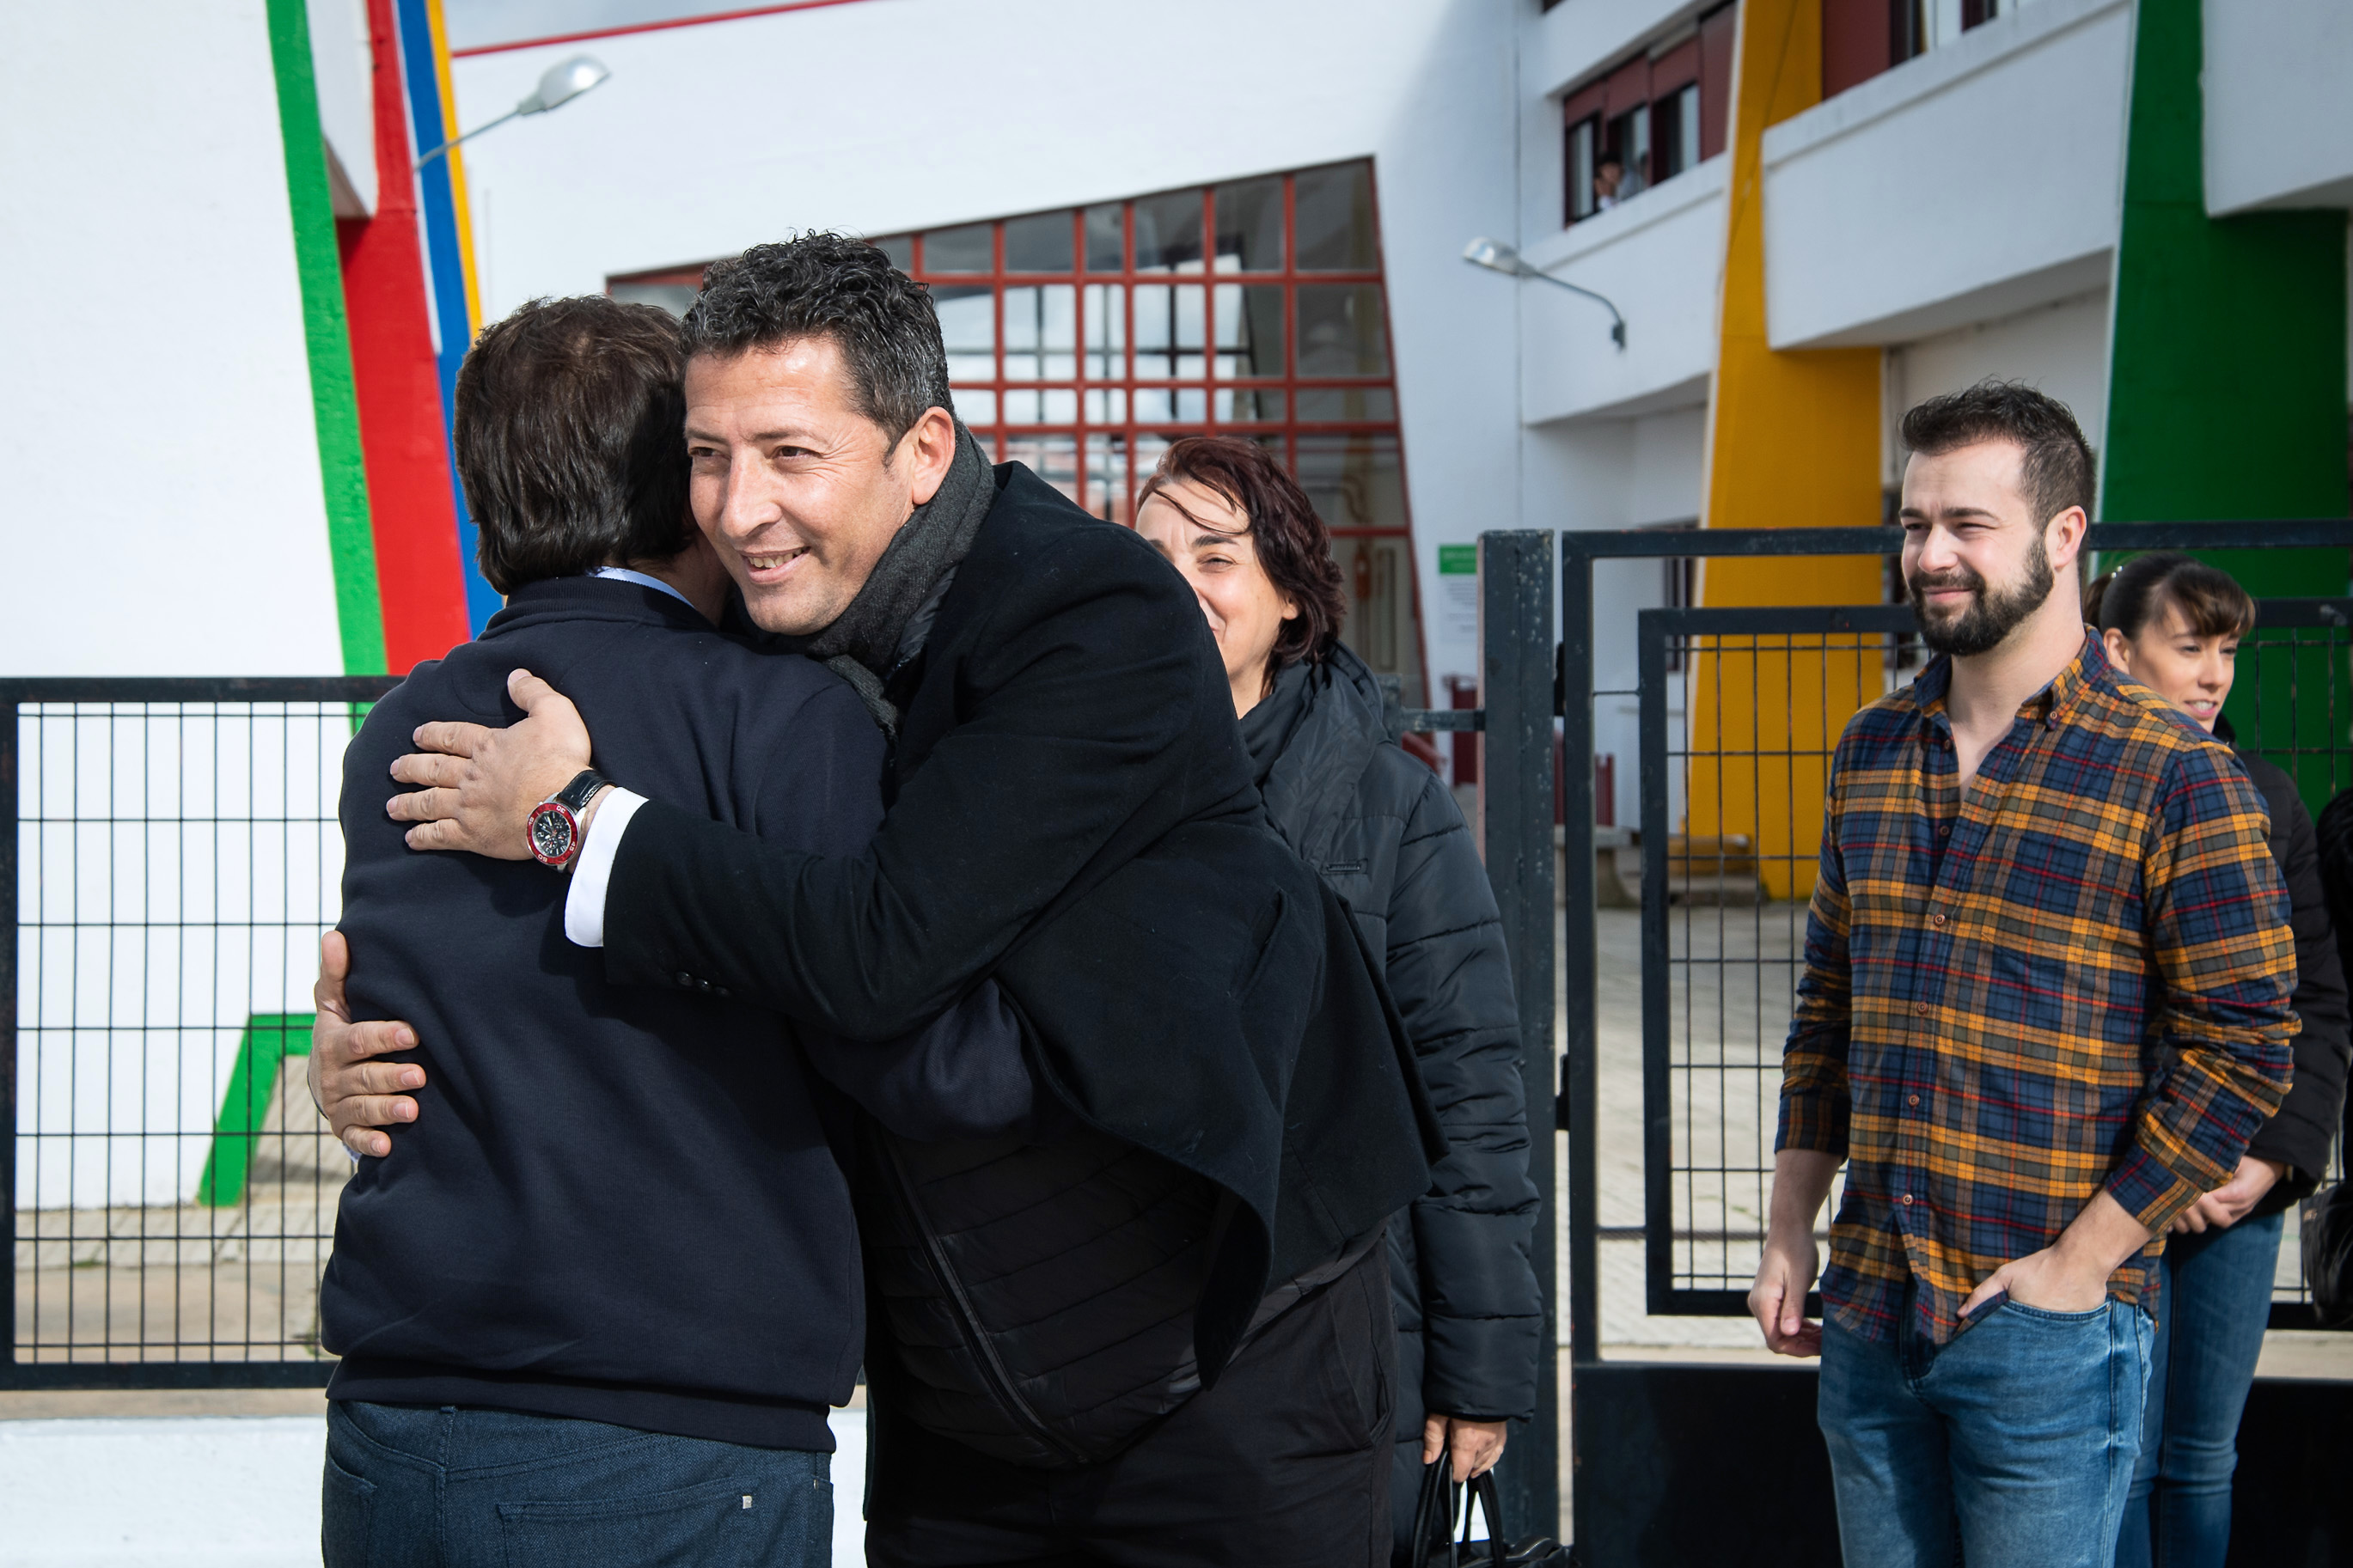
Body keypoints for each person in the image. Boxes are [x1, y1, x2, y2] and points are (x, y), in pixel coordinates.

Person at [312, 234, 1439, 1566]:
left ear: (920, 451)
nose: (739, 509)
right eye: (708, 457)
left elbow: (876, 953)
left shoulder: (1091, 614)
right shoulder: (759, 639)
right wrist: (392, 1036)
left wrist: (570, 821)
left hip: (1212, 1331)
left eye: (792, 454)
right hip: (958, 1361)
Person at [317, 295, 1031, 1567]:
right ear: (687, 489)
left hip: (394, 1412)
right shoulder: (777, 720)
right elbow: (913, 1032)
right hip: (669, 1418)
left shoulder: (400, 729)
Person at [1745, 381, 2297, 1567]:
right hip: (1868, 1304)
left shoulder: (2174, 775)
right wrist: (1791, 1225)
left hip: (2046, 1327)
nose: (1929, 555)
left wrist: (2084, 1259)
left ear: (2062, 536)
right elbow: (1827, 1009)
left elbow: (2243, 1044)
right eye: (1912, 524)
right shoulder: (1869, 751)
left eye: (1965, 525)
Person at [1131, 437, 1543, 1563]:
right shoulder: (1070, 780)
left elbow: (1468, 1090)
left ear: (1288, 602)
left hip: (1340, 1343)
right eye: (1146, 556)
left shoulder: (1385, 806)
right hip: (1123, 1346)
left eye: (1211, 557)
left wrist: (1480, 1369)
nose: (1173, 586)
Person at [2085, 553, 2350, 1568]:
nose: (2210, 675)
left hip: (2239, 1193)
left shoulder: (2267, 798)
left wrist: (2269, 1161)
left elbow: (2315, 1001)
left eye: (2225, 650)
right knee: (2121, 1456)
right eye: (2185, 646)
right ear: (2115, 649)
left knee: (2199, 1458)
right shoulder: (2071, 795)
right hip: (2108, 1191)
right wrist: (2164, 1161)